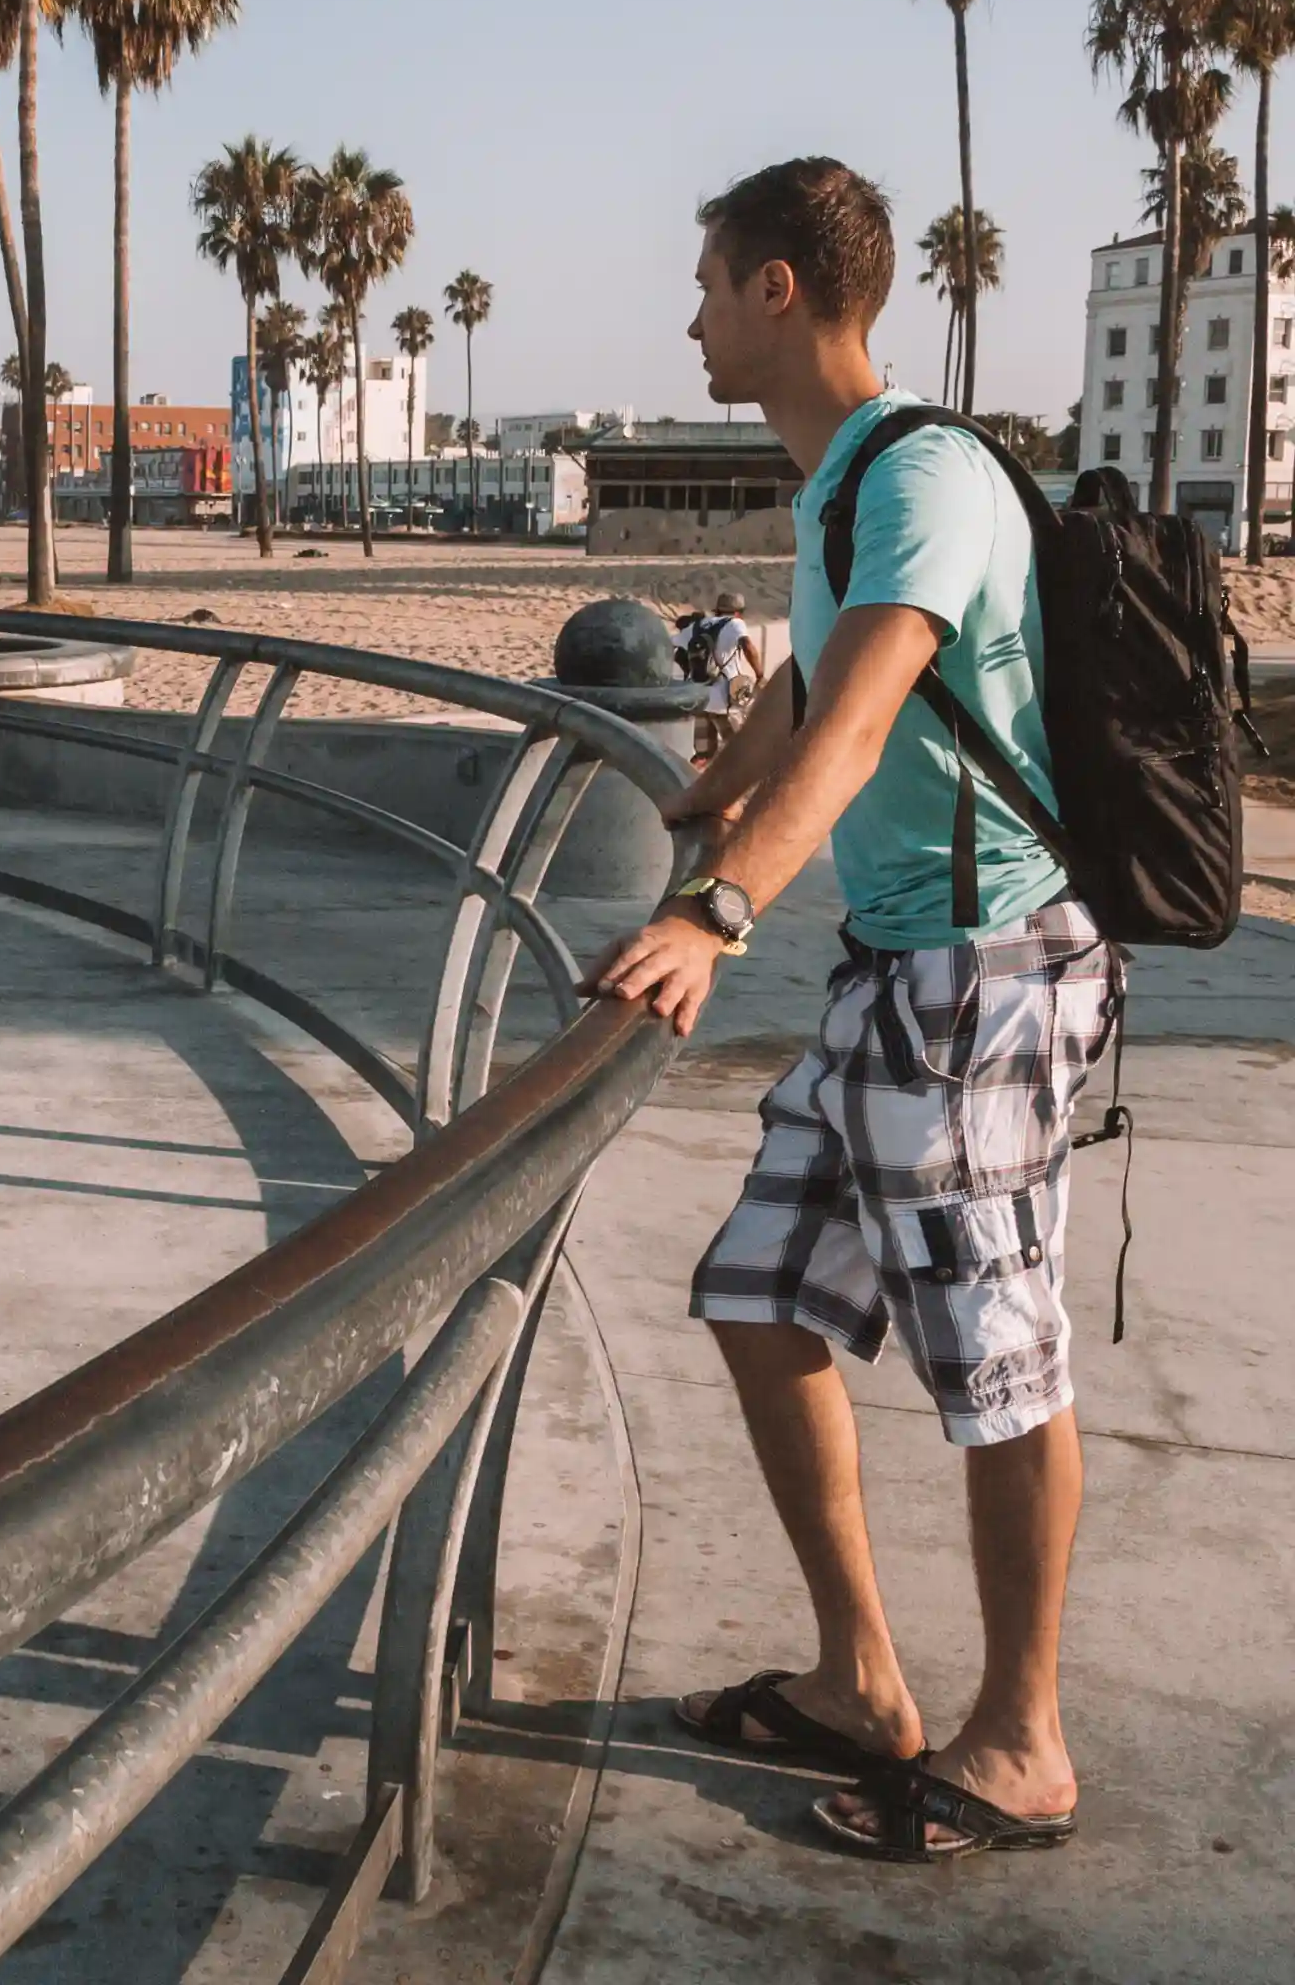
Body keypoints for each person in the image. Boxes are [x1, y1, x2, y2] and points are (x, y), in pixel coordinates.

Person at [590, 158, 1116, 1862]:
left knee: (997, 1356)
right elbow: (806, 689)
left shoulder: (926, 474)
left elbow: (870, 710)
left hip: (989, 971)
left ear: (780, 290)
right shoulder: (836, 484)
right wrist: (701, 804)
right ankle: (861, 1682)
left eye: (708, 282)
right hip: (895, 971)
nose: (690, 317)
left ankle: (1023, 1741)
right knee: (758, 1296)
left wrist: (719, 910)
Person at [673, 589, 760, 761]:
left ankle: (692, 776)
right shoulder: (735, 624)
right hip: (724, 700)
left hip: (699, 697)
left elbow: (670, 644)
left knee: (703, 754)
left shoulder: (697, 626)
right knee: (739, 749)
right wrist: (760, 674)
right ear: (738, 612)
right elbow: (748, 646)